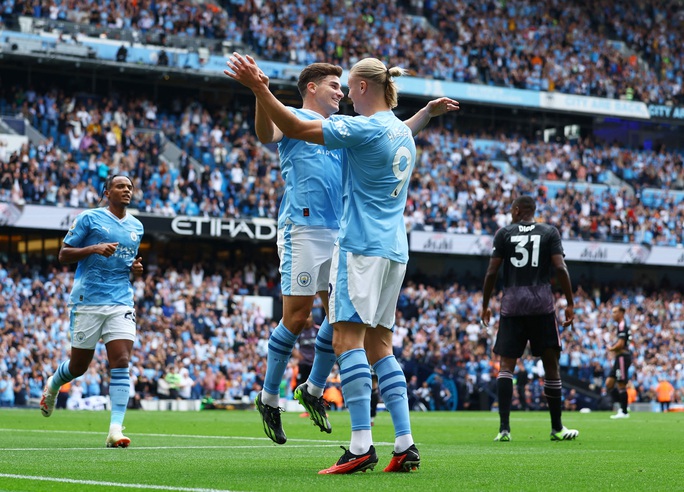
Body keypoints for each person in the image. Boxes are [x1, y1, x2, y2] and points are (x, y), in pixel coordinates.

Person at [226, 52, 458, 474]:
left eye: (348, 85)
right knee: (369, 342)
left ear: (364, 87)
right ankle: (401, 442)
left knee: (345, 337)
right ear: (311, 88)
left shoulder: (357, 126)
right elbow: (278, 130)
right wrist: (426, 113)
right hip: (375, 245)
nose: (345, 93)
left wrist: (258, 86)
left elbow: (304, 127)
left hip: (355, 242)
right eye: (336, 86)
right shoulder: (394, 133)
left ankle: (357, 442)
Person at [40, 175, 144, 448]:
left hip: (121, 300)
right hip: (88, 300)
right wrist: (93, 248)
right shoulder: (89, 218)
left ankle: (115, 430)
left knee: (121, 361)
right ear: (107, 192)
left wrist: (134, 269)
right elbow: (63, 254)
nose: (127, 191)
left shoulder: (136, 226)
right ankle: (53, 384)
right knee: (79, 367)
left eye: (130, 187)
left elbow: (126, 262)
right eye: (121, 186)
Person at [480, 195, 579, 442]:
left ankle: (504, 429)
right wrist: (570, 302)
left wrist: (485, 305)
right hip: (541, 304)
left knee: (506, 367)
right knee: (551, 365)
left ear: (516, 210)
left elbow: (492, 271)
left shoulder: (504, 233)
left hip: (512, 304)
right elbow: (560, 268)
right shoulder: (549, 232)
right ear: (533, 211)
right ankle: (557, 428)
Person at [605, 305, 632, 419]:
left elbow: (621, 344)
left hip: (622, 357)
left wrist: (611, 348)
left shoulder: (622, 325)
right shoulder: (620, 325)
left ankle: (624, 411)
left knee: (621, 383)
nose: (613, 314)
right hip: (619, 357)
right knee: (609, 383)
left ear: (621, 313)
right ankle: (623, 404)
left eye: (615, 312)